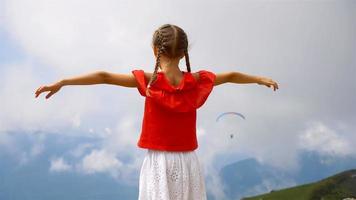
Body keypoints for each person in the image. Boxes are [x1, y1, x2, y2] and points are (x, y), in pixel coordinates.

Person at [34, 24, 279, 200]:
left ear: (155, 50)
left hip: (159, 163)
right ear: (184, 53)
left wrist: (63, 81)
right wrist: (259, 79)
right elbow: (232, 75)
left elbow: (104, 76)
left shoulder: (149, 82)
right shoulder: (196, 81)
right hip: (188, 162)